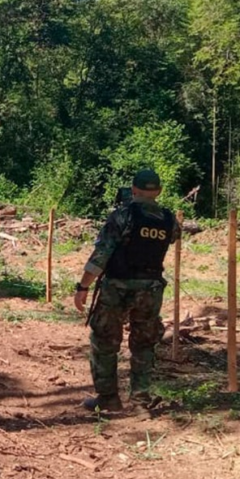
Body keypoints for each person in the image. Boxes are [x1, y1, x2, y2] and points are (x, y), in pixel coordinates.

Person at [73, 169, 181, 412]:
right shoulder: (168, 219)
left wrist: (83, 286)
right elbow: (172, 237)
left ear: (133, 189)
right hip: (150, 289)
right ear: (159, 191)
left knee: (105, 340)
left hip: (118, 287)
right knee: (143, 343)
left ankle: (108, 399)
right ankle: (140, 399)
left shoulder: (122, 216)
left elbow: (101, 255)